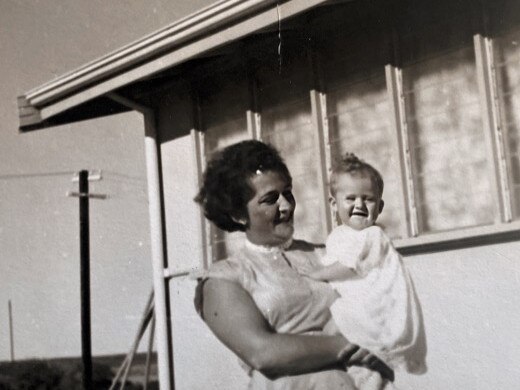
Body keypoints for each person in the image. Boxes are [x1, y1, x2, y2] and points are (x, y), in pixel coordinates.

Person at [194, 140, 393, 389]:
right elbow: (263, 353)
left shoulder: (328, 254)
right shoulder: (226, 278)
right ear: (238, 214)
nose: (287, 206)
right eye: (270, 199)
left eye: (287, 193)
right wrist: (348, 344)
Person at [303, 153, 427, 389]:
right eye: (350, 198)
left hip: (370, 331)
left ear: (379, 207)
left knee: (368, 379)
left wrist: (314, 275)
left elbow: (349, 267)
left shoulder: (372, 235)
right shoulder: (339, 237)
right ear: (334, 204)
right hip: (350, 331)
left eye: (368, 199)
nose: (359, 205)